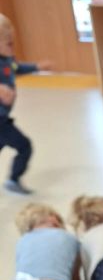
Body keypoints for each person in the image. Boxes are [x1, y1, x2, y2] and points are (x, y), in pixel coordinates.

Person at [0, 14, 51, 195]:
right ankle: (13, 180)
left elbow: (17, 68)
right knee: (24, 146)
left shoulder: (7, 60)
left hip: (3, 118)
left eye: (11, 41)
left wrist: (37, 67)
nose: (12, 46)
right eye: (7, 42)